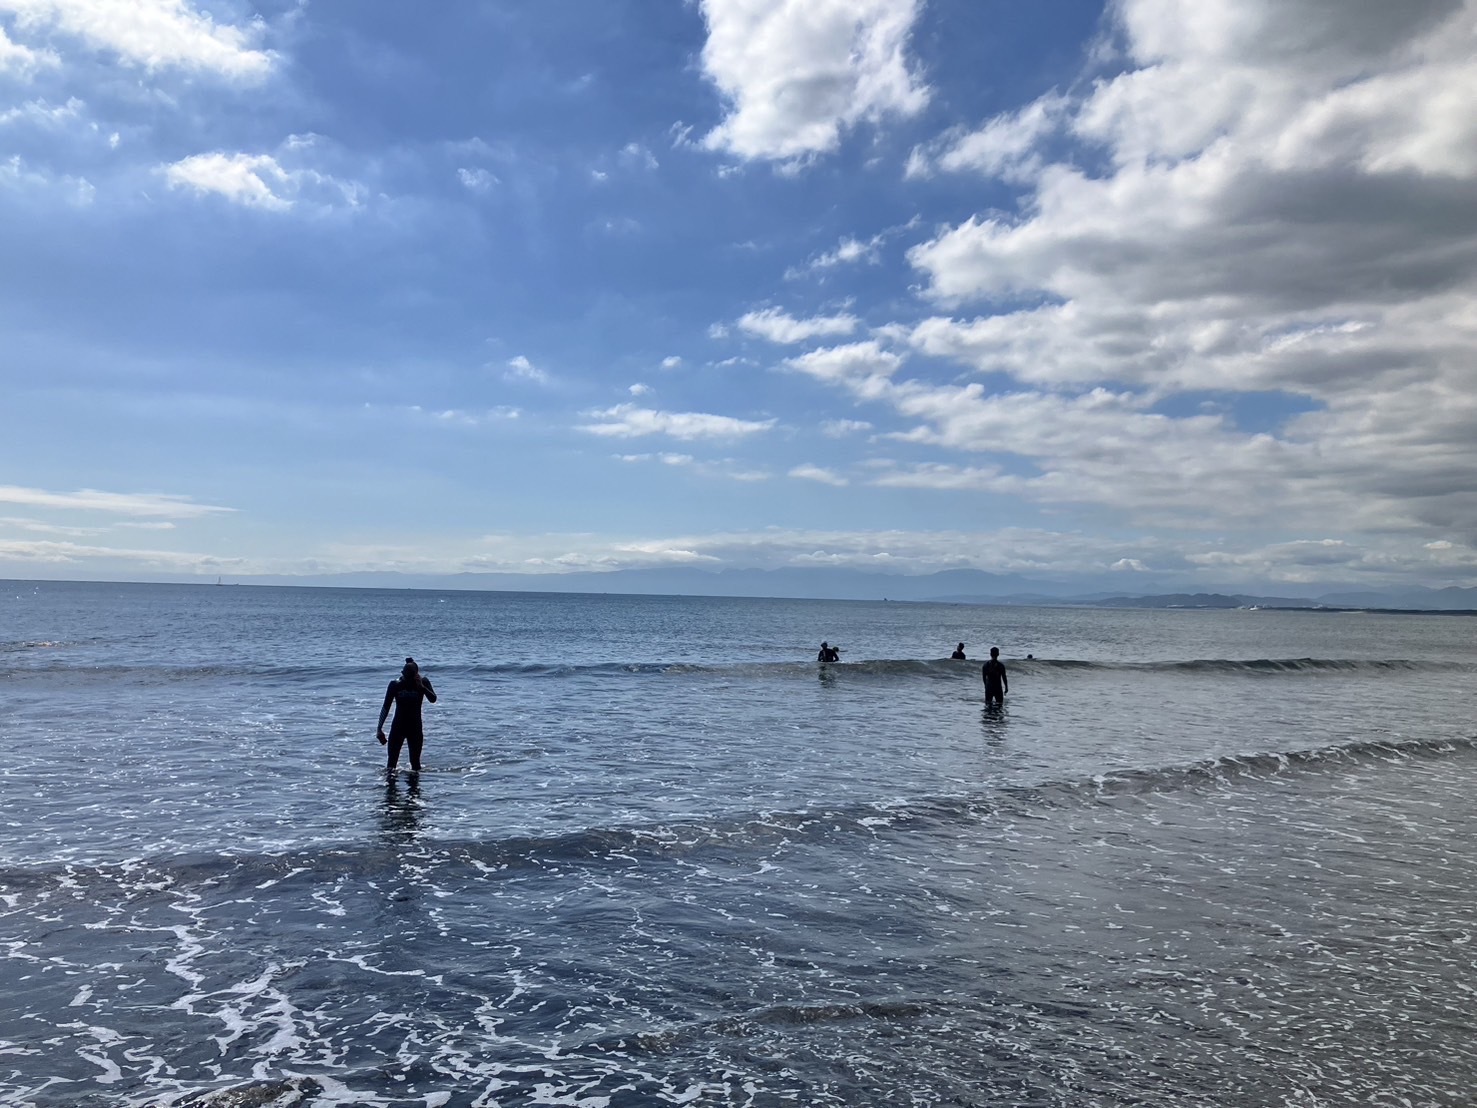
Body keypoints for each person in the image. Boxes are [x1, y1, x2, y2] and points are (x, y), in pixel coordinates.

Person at [377, 657, 437, 774]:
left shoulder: (423, 682)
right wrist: (379, 729)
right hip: (398, 727)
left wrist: (422, 688)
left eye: (410, 677)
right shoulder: (395, 684)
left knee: (415, 766)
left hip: (415, 728)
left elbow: (433, 699)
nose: (407, 679)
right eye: (405, 676)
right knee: (391, 766)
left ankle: (414, 792)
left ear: (416, 675)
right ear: (402, 673)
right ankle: (391, 790)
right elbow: (386, 707)